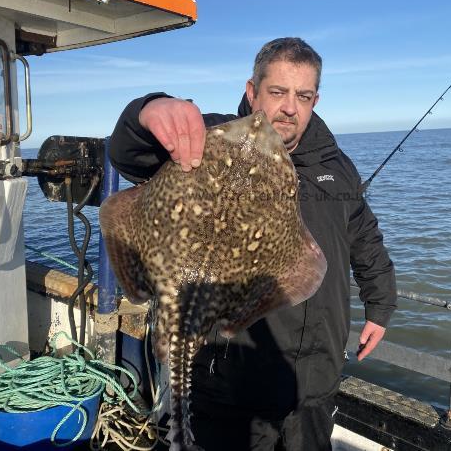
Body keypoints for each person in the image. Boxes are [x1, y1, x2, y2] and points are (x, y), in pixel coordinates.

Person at [109, 37, 397, 450]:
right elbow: (129, 154)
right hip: (230, 379)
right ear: (252, 91)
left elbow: (363, 234)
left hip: (314, 379)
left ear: (316, 99)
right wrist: (148, 109)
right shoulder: (211, 139)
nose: (289, 107)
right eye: (277, 92)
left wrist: (380, 304)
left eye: (303, 95)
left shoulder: (335, 163)